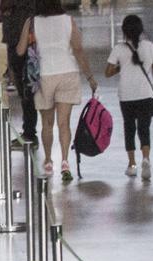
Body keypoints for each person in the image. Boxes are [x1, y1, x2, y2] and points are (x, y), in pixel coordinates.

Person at [19, 0, 95, 181]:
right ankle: (65, 161)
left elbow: (21, 50)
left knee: (46, 124)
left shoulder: (32, 22)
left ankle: (47, 160)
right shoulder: (68, 20)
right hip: (68, 72)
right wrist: (90, 76)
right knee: (64, 123)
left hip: (44, 75)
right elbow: (78, 50)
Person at [103, 14, 153, 179]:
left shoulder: (119, 49)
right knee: (144, 129)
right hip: (146, 94)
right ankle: (146, 158)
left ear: (124, 31)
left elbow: (107, 72)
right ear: (140, 30)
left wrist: (120, 68)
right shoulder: (149, 46)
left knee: (129, 128)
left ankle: (132, 164)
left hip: (126, 96)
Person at [0, 0, 40, 145]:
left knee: (26, 87)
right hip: (17, 32)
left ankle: (29, 132)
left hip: (22, 34)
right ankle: (29, 130)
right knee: (24, 87)